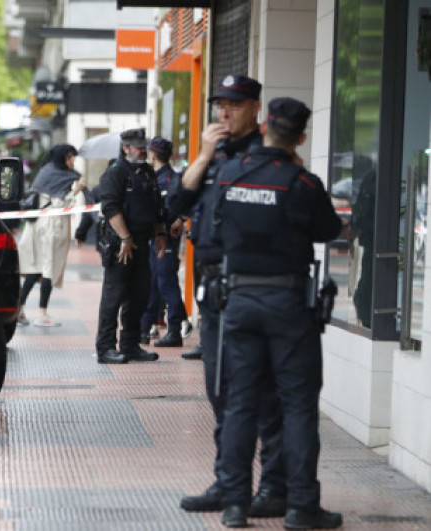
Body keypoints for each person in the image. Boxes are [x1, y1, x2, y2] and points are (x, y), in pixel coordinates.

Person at [213, 97, 342, 529]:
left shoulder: (230, 174)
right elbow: (329, 230)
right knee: (299, 407)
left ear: (265, 124)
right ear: (300, 137)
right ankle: (301, 508)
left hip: (241, 303)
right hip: (289, 306)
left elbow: (214, 227)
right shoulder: (302, 183)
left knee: (240, 406)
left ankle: (234, 504)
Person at [167, 75, 287, 517]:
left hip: (258, 289)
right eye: (220, 104)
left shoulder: (269, 154)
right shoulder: (211, 155)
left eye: (234, 105)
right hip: (216, 292)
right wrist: (201, 155)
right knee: (222, 392)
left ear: (255, 107)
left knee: (266, 396)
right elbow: (177, 204)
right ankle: (228, 482)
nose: (224, 113)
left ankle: (274, 487)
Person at [94, 128, 165, 364]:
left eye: (143, 146)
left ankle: (130, 345)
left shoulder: (146, 172)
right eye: (137, 146)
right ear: (125, 148)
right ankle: (105, 348)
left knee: (139, 296)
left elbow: (155, 205)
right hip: (120, 244)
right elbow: (111, 208)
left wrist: (160, 233)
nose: (142, 150)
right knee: (114, 296)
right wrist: (125, 238)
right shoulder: (115, 172)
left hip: (142, 243)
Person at [16, 144, 81, 327]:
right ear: (62, 157)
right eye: (70, 157)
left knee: (35, 269)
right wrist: (75, 191)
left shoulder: (46, 171)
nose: (72, 161)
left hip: (37, 226)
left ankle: (20, 310)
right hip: (51, 227)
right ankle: (42, 314)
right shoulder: (63, 176)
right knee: (49, 269)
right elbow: (59, 203)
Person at [139, 137, 186, 348]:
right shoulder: (162, 177)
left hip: (165, 237)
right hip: (157, 239)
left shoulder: (167, 179)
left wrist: (180, 220)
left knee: (166, 284)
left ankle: (174, 330)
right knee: (154, 285)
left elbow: (176, 207)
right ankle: (143, 328)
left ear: (153, 154)